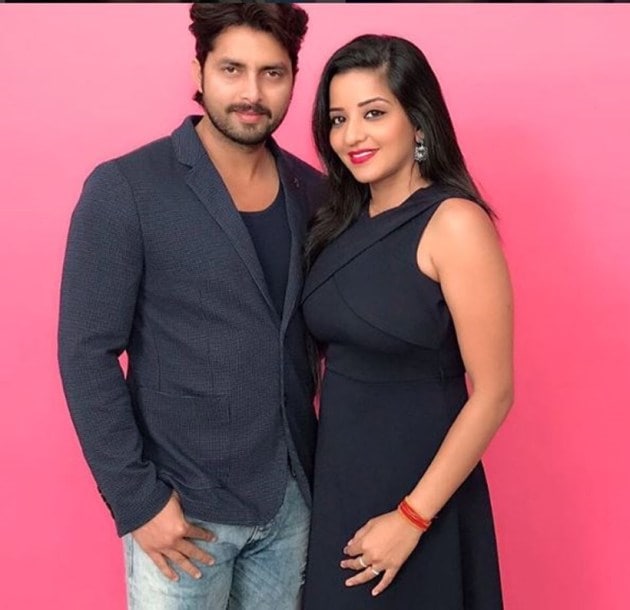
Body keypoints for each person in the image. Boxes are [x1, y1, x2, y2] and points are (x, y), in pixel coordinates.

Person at [58, 4, 322, 609]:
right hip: (182, 512)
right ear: (199, 71)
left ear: (292, 78)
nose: (252, 93)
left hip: (290, 505)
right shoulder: (126, 187)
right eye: (232, 69)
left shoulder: (315, 192)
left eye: (272, 73)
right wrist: (137, 500)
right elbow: (85, 352)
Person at [301, 34, 514, 609]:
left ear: (417, 120)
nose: (352, 135)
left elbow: (494, 393)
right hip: (338, 487)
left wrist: (411, 517)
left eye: (373, 113)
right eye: (339, 119)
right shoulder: (336, 223)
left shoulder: (454, 223)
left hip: (423, 496)